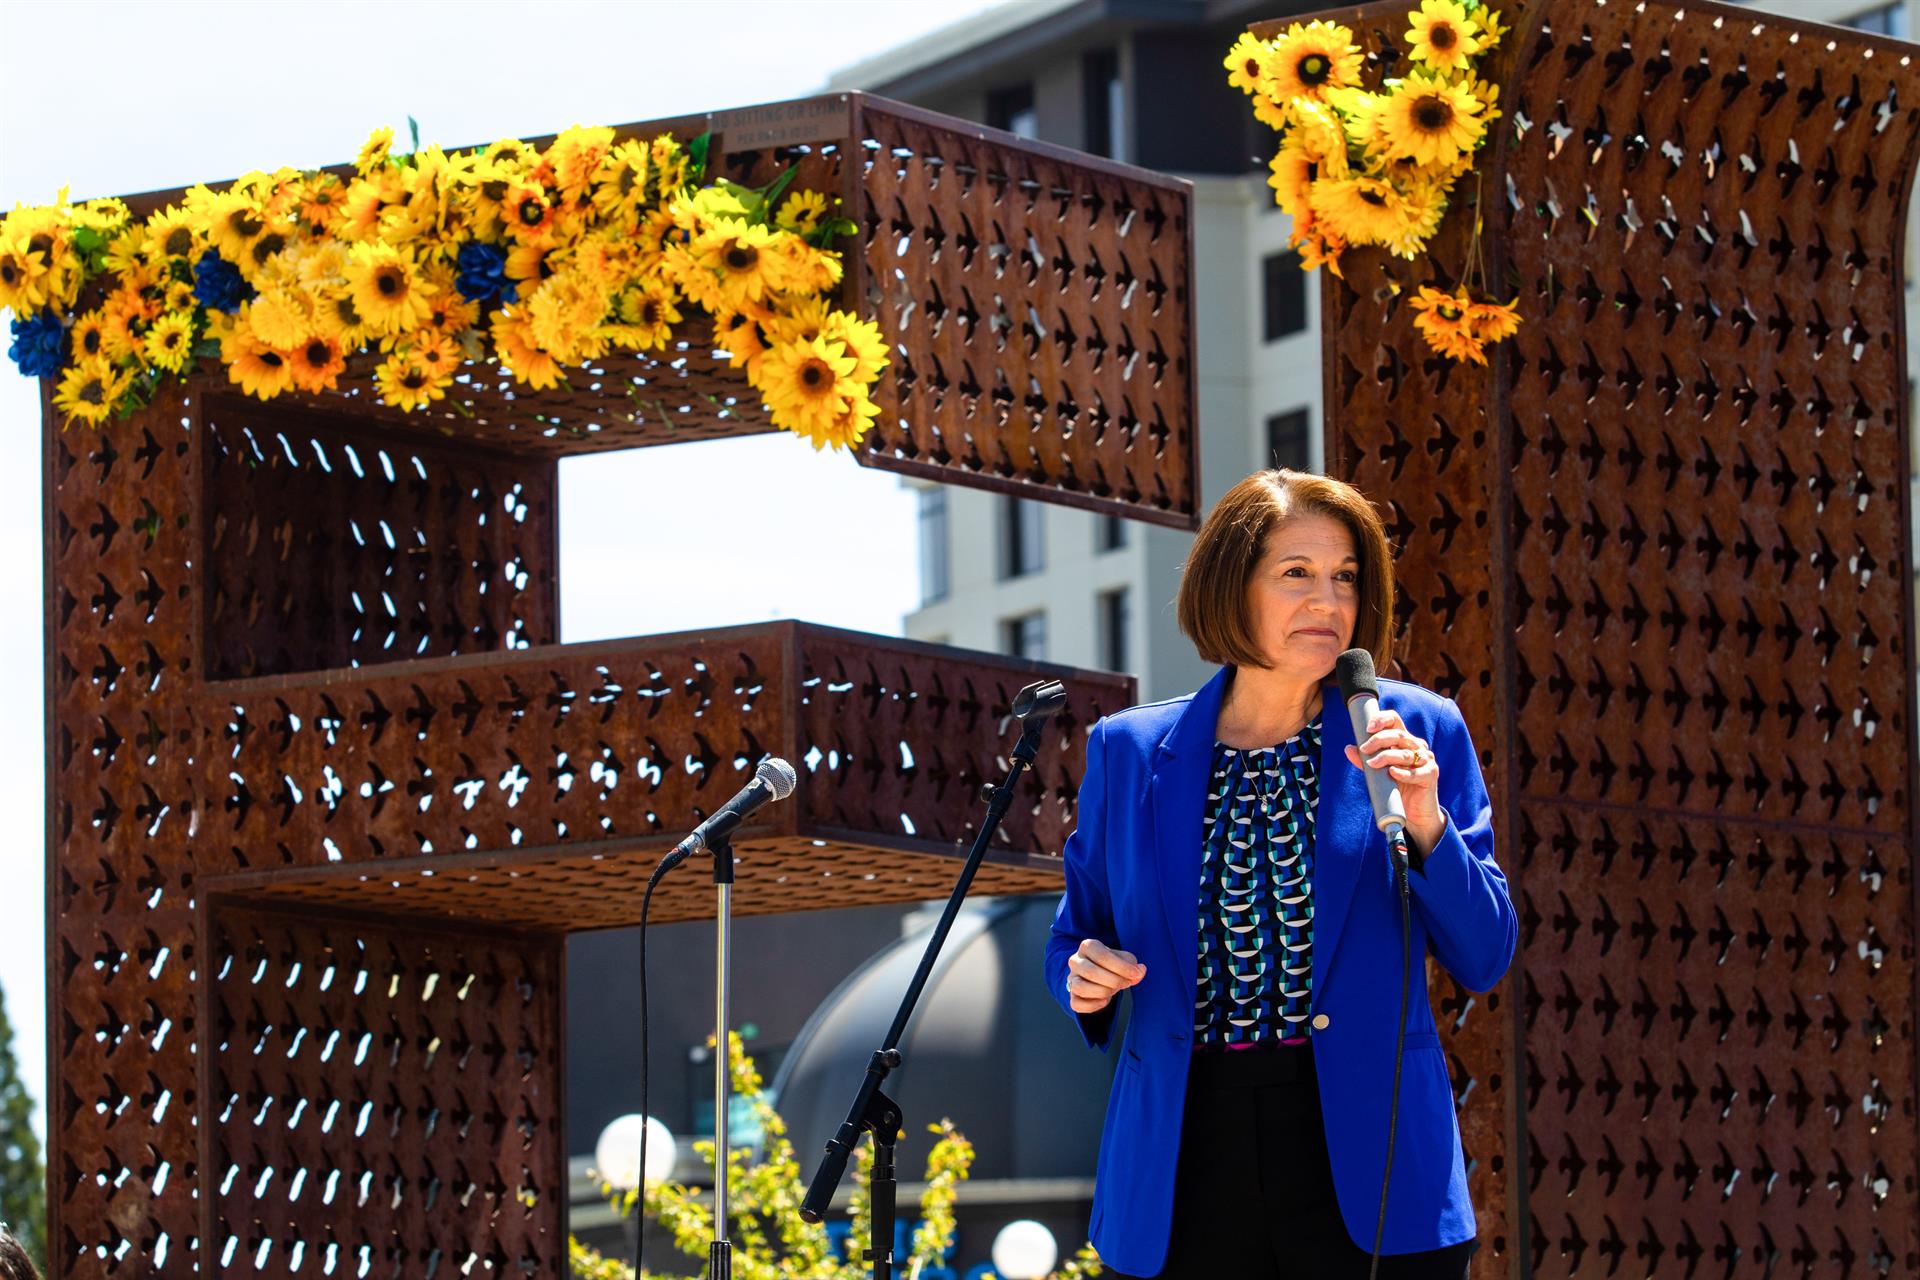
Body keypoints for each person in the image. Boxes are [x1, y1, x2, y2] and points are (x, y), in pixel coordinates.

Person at [1044, 469, 1517, 1278]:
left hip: (1369, 1163)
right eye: (1297, 573)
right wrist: (1082, 976)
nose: (1328, 602)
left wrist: (1429, 820)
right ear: (1231, 584)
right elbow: (1074, 938)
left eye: (1345, 579)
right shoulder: (1127, 752)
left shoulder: (1417, 729)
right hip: (1182, 1158)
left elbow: (1485, 954)